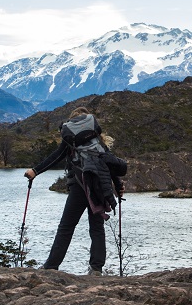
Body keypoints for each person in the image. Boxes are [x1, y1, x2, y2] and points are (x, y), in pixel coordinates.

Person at [24, 107, 126, 275]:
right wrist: (118, 185)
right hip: (98, 187)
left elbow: (56, 156)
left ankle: (51, 267)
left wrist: (35, 171)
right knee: (97, 228)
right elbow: (109, 163)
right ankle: (96, 269)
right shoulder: (97, 141)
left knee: (66, 227)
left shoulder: (70, 139)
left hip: (79, 187)